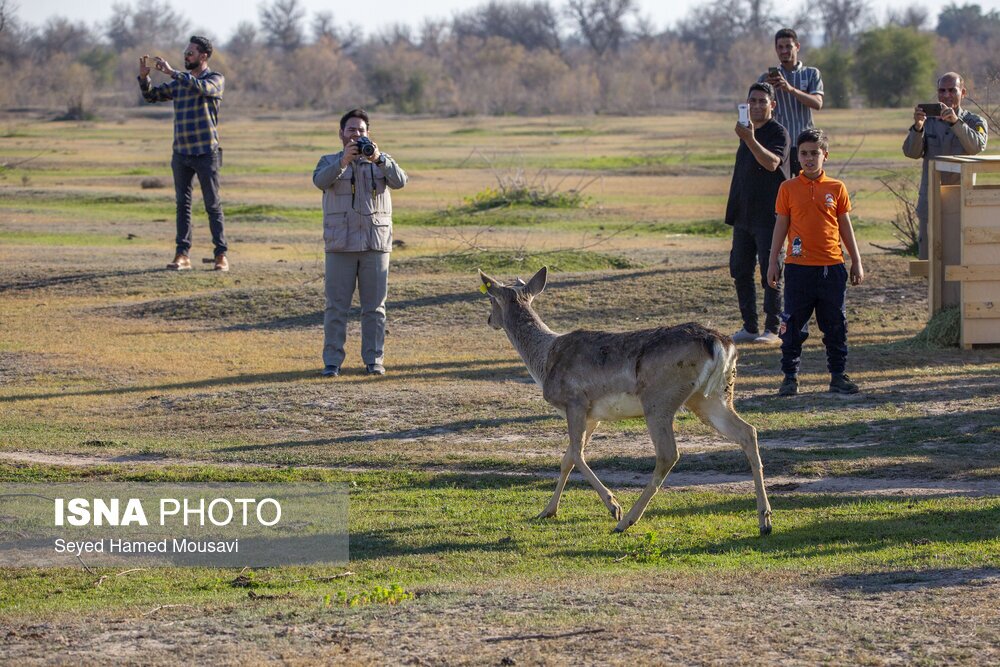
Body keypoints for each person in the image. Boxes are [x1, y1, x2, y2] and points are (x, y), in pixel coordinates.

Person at [766, 129, 864, 397]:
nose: (809, 159)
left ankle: (837, 376)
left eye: (814, 153)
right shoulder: (787, 188)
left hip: (831, 268)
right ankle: (789, 377)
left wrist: (856, 260)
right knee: (792, 326)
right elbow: (781, 225)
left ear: (825, 155)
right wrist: (773, 260)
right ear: (797, 156)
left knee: (835, 325)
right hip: (798, 269)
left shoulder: (836, 188)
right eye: (804, 154)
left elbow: (845, 226)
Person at [313, 109, 408, 377]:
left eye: (362, 130)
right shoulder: (329, 161)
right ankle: (332, 362)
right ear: (341, 133)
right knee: (335, 307)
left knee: (375, 309)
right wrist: (343, 161)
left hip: (375, 245)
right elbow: (319, 181)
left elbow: (401, 181)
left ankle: (374, 360)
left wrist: (379, 160)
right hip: (339, 245)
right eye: (352, 130)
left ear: (369, 134)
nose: (357, 135)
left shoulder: (380, 161)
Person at [139, 36, 229, 272]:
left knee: (212, 204)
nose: (186, 55)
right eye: (185, 52)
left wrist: (173, 73)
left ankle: (221, 255)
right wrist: (143, 76)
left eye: (190, 52)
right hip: (181, 153)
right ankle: (182, 255)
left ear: (203, 56)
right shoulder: (180, 83)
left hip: (206, 152)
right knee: (183, 204)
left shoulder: (215, 79)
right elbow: (151, 96)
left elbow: (202, 88)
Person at [726, 81, 790, 345]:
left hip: (770, 216)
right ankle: (750, 327)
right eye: (752, 101)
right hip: (743, 215)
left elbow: (772, 163)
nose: (756, 105)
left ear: (772, 105)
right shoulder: (746, 131)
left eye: (762, 101)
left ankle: (773, 329)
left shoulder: (778, 133)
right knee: (740, 270)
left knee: (771, 271)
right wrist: (748, 136)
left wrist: (750, 139)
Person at [903, 72, 988, 260]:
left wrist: (956, 123)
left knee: (959, 259)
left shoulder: (975, 122)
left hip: (961, 202)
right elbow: (911, 152)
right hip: (930, 200)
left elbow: (975, 147)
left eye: (952, 90)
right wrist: (918, 127)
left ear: (963, 92)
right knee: (928, 261)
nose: (947, 95)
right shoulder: (928, 122)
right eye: (942, 91)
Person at [759, 28, 823, 177]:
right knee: (781, 191)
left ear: (797, 47)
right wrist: (767, 90)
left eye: (788, 46)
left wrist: (790, 89)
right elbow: (757, 110)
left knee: (806, 188)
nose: (784, 51)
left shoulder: (811, 73)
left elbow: (817, 103)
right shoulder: (765, 78)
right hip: (778, 145)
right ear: (776, 49)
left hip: (804, 143)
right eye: (780, 47)